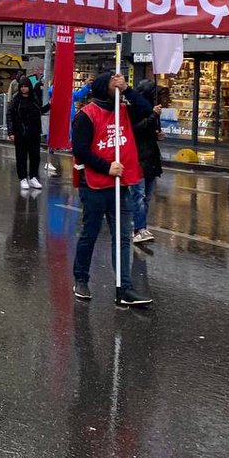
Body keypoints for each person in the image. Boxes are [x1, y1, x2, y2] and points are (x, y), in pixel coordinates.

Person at [71, 71, 154, 307]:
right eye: (112, 82)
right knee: (91, 233)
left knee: (123, 237)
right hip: (95, 185)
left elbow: (147, 110)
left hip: (121, 185)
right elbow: (81, 150)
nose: (117, 83)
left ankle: (124, 288)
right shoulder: (86, 115)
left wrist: (127, 89)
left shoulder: (123, 111)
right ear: (102, 87)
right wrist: (107, 167)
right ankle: (81, 279)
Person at [130, 79, 163, 243]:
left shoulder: (152, 110)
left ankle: (142, 226)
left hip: (151, 157)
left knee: (147, 196)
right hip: (138, 157)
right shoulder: (134, 109)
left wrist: (156, 133)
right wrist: (153, 116)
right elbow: (135, 129)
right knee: (139, 195)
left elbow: (148, 130)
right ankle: (138, 229)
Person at [7, 77, 48, 192]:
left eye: (25, 86)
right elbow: (9, 115)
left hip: (34, 133)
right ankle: (23, 178)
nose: (24, 89)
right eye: (22, 87)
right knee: (21, 156)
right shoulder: (16, 99)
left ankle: (33, 177)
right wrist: (11, 132)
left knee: (35, 156)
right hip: (20, 133)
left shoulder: (34, 97)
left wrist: (49, 105)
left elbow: (40, 110)